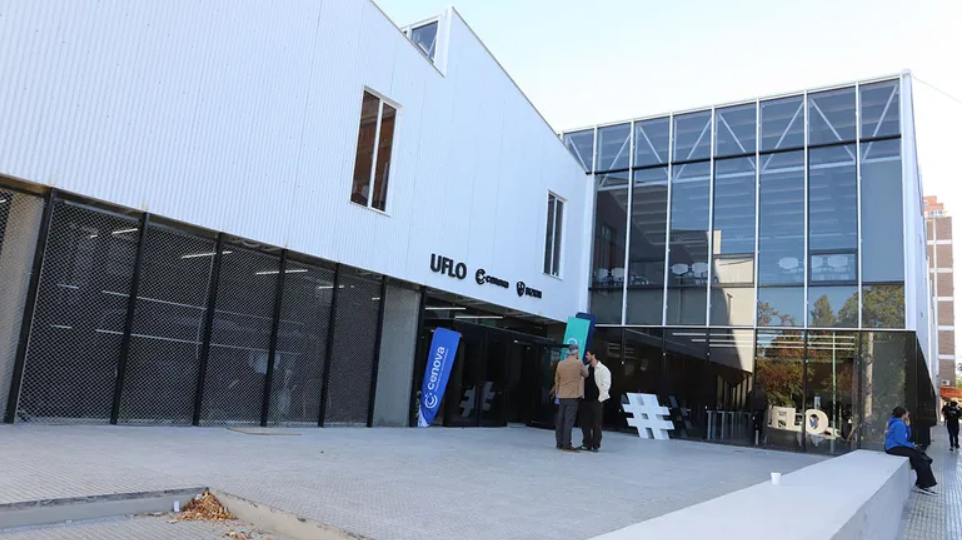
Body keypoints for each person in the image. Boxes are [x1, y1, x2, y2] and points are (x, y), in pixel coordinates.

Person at [885, 407, 938, 495]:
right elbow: (900, 440)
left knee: (920, 456)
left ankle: (923, 481)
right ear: (903, 415)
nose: (908, 414)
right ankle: (923, 485)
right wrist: (912, 445)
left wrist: (907, 426)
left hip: (896, 447)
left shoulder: (899, 423)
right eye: (907, 413)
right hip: (894, 448)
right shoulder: (899, 424)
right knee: (920, 457)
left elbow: (906, 437)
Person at [550, 344, 588, 452]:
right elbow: (586, 374)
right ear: (576, 352)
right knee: (569, 421)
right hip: (572, 395)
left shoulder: (561, 364)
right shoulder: (578, 363)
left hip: (561, 395)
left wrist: (558, 391)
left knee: (560, 420)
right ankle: (567, 444)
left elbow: (557, 379)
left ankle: (559, 442)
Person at [579, 350, 612, 453]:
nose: (586, 356)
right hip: (585, 400)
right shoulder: (586, 368)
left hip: (596, 401)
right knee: (585, 423)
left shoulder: (603, 369)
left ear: (593, 356)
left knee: (596, 423)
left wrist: (600, 399)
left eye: (588, 354)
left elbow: (606, 385)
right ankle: (586, 443)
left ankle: (595, 445)